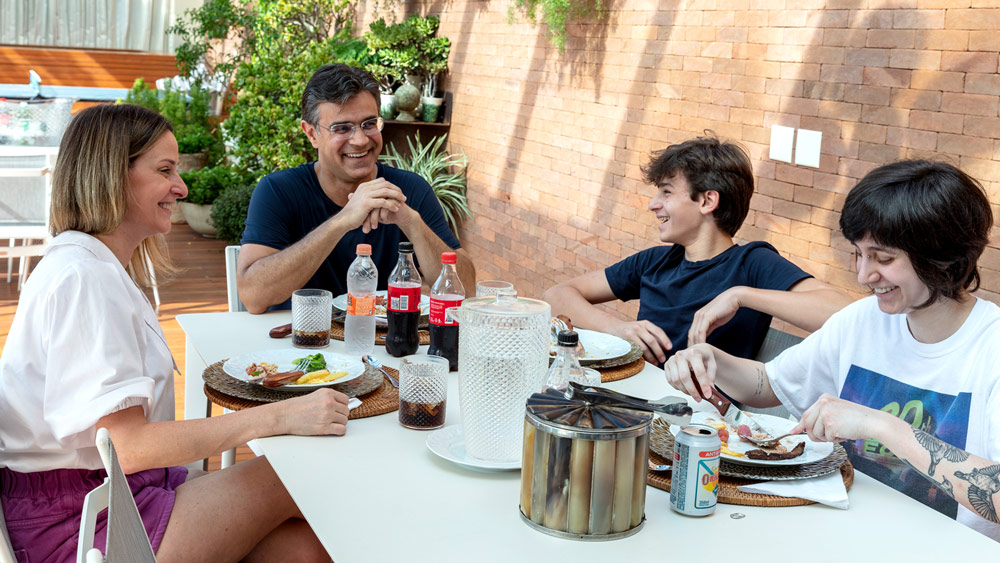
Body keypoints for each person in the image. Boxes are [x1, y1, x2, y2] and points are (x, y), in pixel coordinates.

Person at [0, 104, 347, 562]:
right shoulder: (83, 278)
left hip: (121, 493)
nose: (180, 188)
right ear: (111, 176)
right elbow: (128, 445)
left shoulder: (96, 269)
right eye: (165, 170)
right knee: (300, 475)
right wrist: (278, 418)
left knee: (306, 548)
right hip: (81, 525)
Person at [664, 160, 1000, 541]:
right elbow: (766, 384)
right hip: (838, 536)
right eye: (859, 254)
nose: (864, 275)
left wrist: (881, 425)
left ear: (944, 257)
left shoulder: (991, 347)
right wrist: (712, 360)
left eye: (884, 258)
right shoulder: (862, 320)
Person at [542, 135, 851, 365]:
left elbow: (843, 313)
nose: (653, 204)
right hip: (634, 402)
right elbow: (557, 295)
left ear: (707, 201)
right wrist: (616, 328)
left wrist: (740, 296)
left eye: (666, 192)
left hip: (697, 425)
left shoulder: (751, 263)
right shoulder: (655, 261)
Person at [237, 64, 475, 313]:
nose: (360, 140)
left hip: (382, 346)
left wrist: (413, 223)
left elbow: (467, 293)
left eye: (369, 124)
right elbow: (253, 296)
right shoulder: (278, 191)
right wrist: (341, 222)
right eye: (342, 128)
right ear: (312, 134)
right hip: (299, 343)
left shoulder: (409, 190)